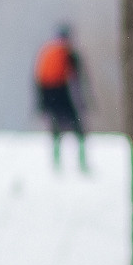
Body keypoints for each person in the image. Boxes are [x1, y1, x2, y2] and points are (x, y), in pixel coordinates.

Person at [33, 26, 90, 171]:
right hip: (61, 94)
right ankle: (82, 163)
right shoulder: (68, 53)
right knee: (78, 129)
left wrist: (40, 103)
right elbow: (78, 80)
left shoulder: (47, 51)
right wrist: (84, 101)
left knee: (56, 129)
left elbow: (38, 78)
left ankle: (56, 163)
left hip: (48, 96)